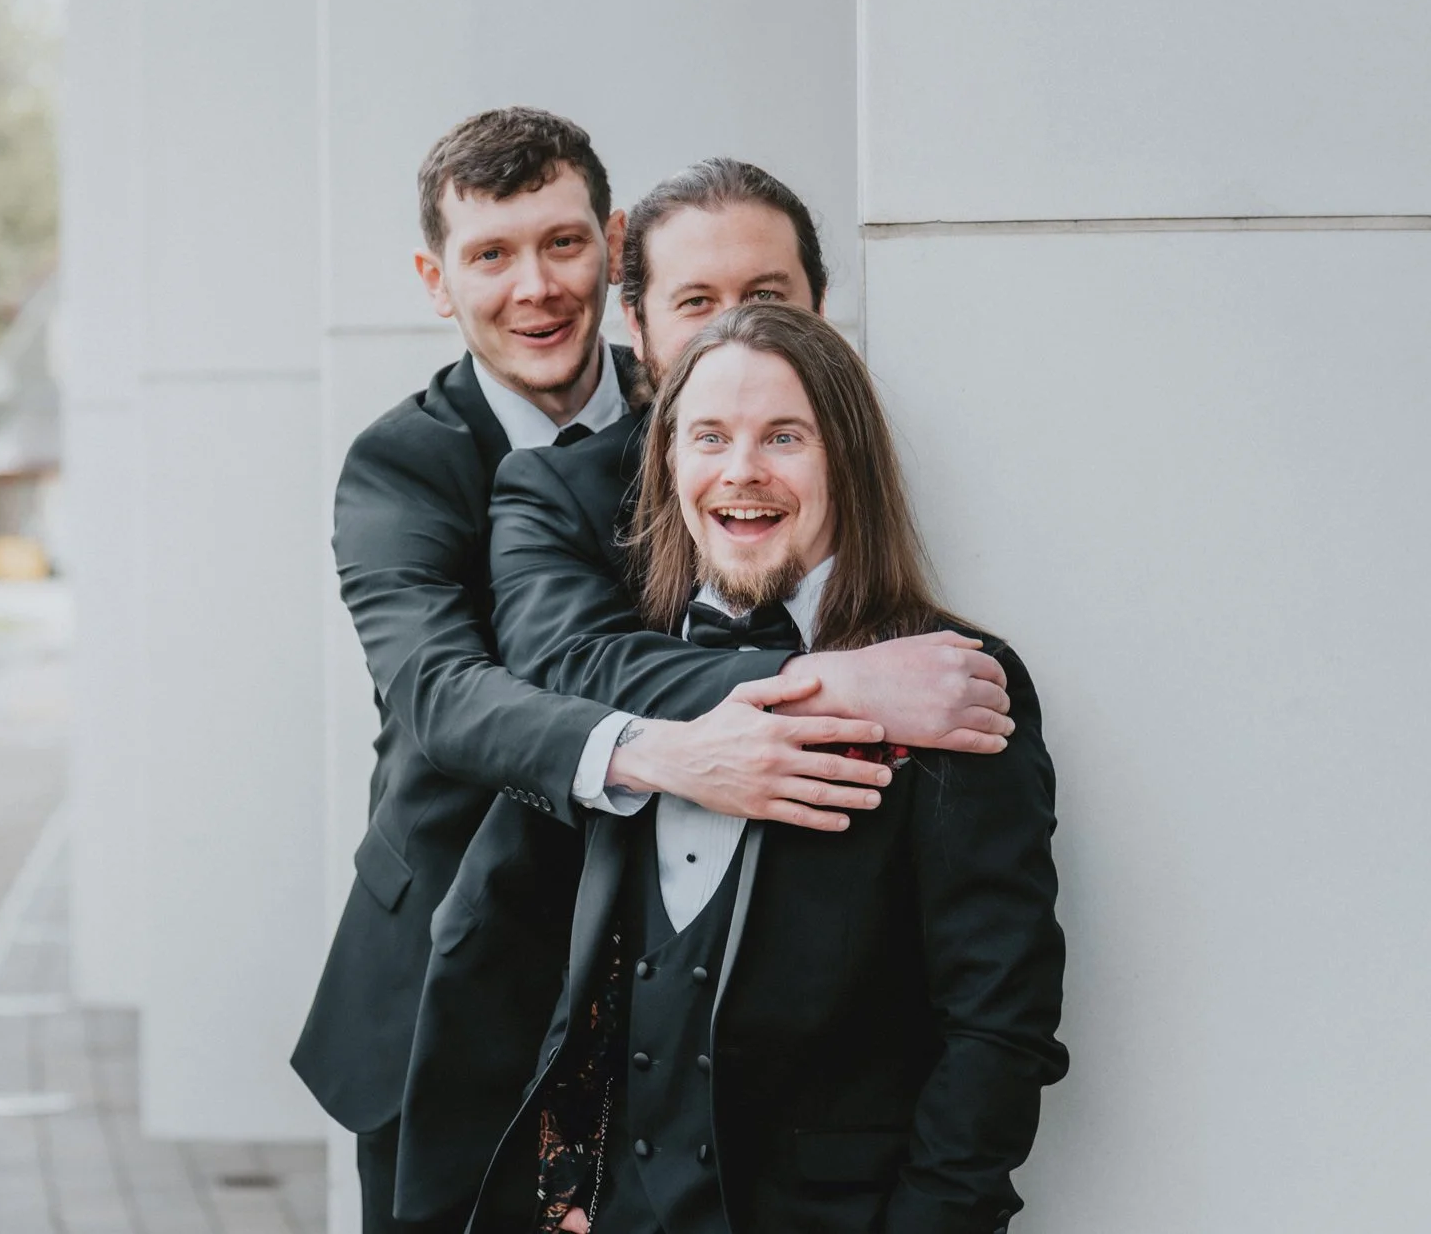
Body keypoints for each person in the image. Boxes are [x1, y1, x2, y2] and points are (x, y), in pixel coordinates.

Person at [293, 116, 1011, 1234]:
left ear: (608, 249)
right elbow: (465, 689)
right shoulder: (414, 467)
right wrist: (828, 695)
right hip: (449, 964)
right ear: (437, 281)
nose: (533, 287)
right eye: (491, 255)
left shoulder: (731, 420)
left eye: (561, 244)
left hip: (651, 1016)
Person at [470, 301, 1067, 1234]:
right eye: (709, 435)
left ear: (848, 461)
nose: (740, 471)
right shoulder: (620, 678)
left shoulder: (948, 683)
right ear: (668, 464)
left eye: (784, 436)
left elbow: (998, 1025)